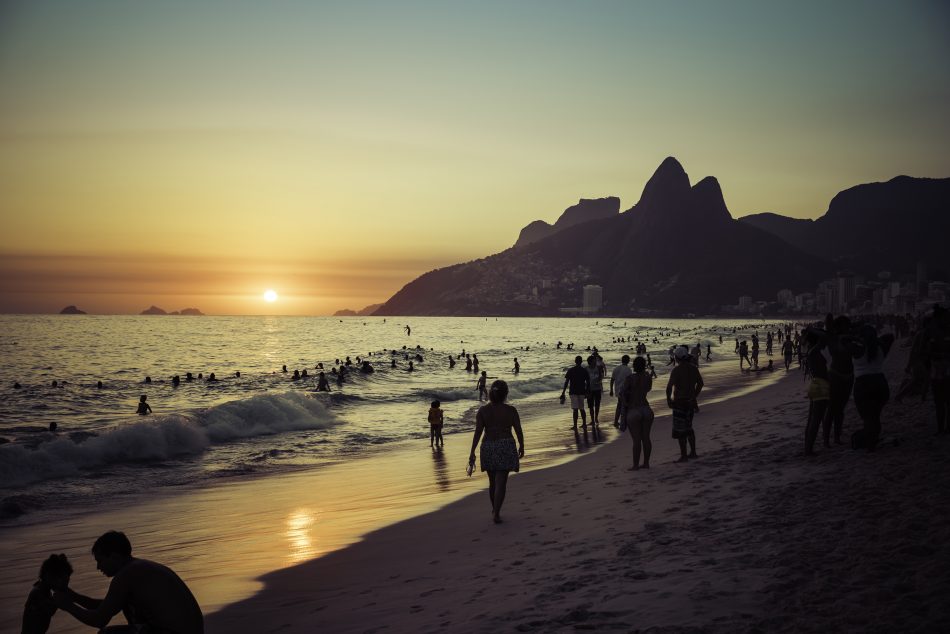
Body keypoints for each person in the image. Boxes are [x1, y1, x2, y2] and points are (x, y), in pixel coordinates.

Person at [52, 530, 204, 633]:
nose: (98, 567)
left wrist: (68, 606)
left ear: (115, 557)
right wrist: (74, 597)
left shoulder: (126, 575)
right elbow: (108, 606)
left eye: (100, 561)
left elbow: (99, 619)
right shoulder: (137, 568)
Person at [468, 380, 525, 524]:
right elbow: (518, 430)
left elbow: (478, 432)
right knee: (501, 483)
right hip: (505, 445)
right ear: (505, 394)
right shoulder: (511, 410)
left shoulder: (483, 411)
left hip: (488, 446)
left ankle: (495, 509)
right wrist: (522, 445)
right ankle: (497, 513)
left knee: (492, 483)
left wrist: (472, 451)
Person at [850, 324, 895, 451]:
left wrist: (859, 340)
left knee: (868, 418)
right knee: (875, 416)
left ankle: (870, 444)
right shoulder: (881, 347)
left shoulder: (858, 349)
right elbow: (891, 336)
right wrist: (875, 340)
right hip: (880, 383)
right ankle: (872, 440)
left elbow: (842, 340)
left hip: (863, 385)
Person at [666, 346, 703, 462]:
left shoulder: (676, 370)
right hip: (690, 402)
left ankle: (684, 455)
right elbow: (700, 384)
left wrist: (669, 400)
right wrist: (694, 396)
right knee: (689, 427)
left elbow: (669, 387)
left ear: (677, 358)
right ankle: (693, 452)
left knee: (680, 430)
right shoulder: (693, 368)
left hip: (679, 402)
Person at [22, 553, 72, 634]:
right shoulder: (37, 593)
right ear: (49, 576)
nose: (64, 585)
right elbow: (51, 609)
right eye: (62, 580)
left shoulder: (44, 590)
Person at [620, 357, 654, 470]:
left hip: (634, 410)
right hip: (646, 408)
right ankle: (646, 463)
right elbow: (648, 390)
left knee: (636, 440)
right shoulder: (648, 378)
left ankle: (635, 465)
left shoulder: (630, 378)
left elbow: (622, 394)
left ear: (634, 366)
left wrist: (626, 404)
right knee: (646, 438)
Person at [802, 328, 831, 456]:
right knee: (816, 419)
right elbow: (825, 338)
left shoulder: (811, 351)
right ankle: (808, 450)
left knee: (812, 419)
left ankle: (807, 448)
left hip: (815, 384)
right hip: (820, 385)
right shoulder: (814, 351)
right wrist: (813, 329)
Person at [560, 356, 590, 429]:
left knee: (575, 409)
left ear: (575, 361)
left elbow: (566, 382)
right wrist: (587, 391)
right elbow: (588, 382)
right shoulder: (584, 370)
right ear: (581, 361)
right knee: (582, 408)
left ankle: (575, 425)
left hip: (573, 391)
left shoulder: (571, 370)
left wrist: (563, 392)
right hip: (582, 391)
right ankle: (584, 424)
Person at [609, 355, 633, 428]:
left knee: (620, 405)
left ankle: (616, 421)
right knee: (625, 406)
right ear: (628, 361)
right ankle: (623, 421)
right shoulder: (628, 370)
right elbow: (630, 381)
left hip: (618, 390)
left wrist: (611, 390)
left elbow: (612, 380)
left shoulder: (616, 368)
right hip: (625, 391)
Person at [585, 354, 604, 425]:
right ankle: (592, 419)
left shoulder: (598, 368)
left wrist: (599, 381)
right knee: (590, 406)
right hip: (589, 389)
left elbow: (601, 376)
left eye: (595, 361)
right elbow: (584, 379)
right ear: (589, 362)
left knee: (597, 404)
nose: (595, 362)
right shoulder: (586, 369)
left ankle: (596, 418)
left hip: (597, 389)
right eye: (594, 361)